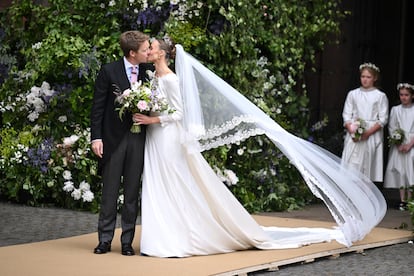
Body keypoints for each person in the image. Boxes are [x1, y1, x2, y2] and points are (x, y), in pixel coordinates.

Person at [134, 39, 386, 257]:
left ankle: (174, 237)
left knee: (173, 181)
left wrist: (152, 118)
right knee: (158, 183)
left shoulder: (171, 79)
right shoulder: (154, 77)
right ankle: (161, 235)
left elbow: (179, 113)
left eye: (152, 47)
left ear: (162, 53)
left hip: (167, 136)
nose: (148, 49)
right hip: (155, 136)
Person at [90, 31, 152, 256]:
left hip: (138, 139)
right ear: (132, 53)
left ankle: (127, 241)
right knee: (110, 192)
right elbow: (97, 107)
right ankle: (104, 240)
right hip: (112, 140)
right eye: (145, 49)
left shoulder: (149, 72)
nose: (149, 52)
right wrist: (96, 138)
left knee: (132, 193)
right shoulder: (109, 71)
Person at [341, 63, 389, 183]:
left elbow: (383, 118)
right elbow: (347, 114)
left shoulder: (380, 96)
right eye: (363, 76)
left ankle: (365, 199)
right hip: (354, 134)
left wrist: (367, 133)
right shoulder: (353, 94)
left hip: (371, 135)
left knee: (367, 170)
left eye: (368, 77)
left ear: (374, 78)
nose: (365, 79)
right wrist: (352, 129)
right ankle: (350, 198)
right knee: (352, 166)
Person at [384, 83, 414, 211]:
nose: (404, 97)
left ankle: (411, 199)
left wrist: (410, 144)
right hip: (400, 143)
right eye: (401, 95)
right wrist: (398, 142)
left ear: (412, 96)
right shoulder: (395, 110)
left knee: (410, 170)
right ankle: (403, 200)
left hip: (412, 143)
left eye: (406, 95)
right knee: (401, 171)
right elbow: (392, 126)